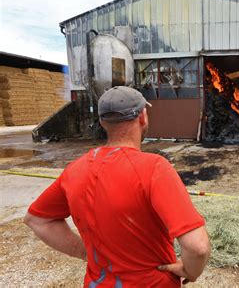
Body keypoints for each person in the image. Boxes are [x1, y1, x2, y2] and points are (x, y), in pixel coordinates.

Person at [24, 86, 211, 287]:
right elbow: (197, 247)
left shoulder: (74, 170)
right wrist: (189, 270)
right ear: (142, 117)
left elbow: (37, 220)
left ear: (103, 122)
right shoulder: (154, 168)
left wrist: (85, 252)